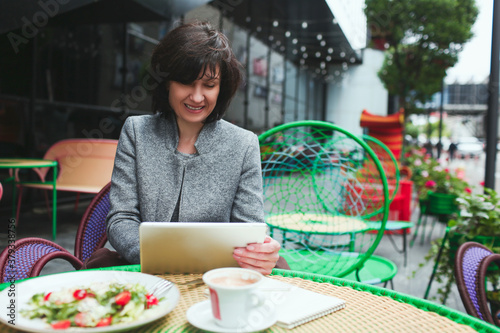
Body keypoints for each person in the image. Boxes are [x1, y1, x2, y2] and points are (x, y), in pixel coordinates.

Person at [100, 21, 286, 275]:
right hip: (145, 270)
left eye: (209, 85)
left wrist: (260, 253)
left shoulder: (243, 144)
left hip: (218, 276)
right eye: (186, 83)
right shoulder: (136, 131)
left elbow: (249, 229)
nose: (197, 97)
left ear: (221, 89)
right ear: (167, 83)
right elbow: (121, 219)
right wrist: (155, 258)